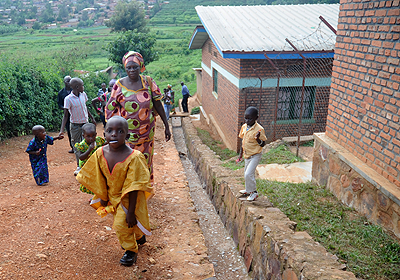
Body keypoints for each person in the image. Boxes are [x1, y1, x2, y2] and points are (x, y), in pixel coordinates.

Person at [76, 116, 153, 266]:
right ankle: (138, 237)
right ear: (103, 134)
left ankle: (130, 251)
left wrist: (131, 211)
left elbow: (134, 186)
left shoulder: (134, 157)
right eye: (109, 131)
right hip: (112, 196)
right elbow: (98, 176)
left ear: (127, 135)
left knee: (122, 225)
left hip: (128, 198)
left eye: (120, 131)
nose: (114, 134)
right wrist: (102, 196)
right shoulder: (99, 153)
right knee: (127, 223)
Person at [105, 51, 171, 185]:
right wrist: (111, 132)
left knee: (145, 161)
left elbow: (158, 104)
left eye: (135, 67)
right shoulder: (119, 85)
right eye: (128, 67)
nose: (132, 70)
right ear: (125, 68)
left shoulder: (148, 82)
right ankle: (128, 190)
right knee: (126, 161)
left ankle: (143, 190)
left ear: (140, 66)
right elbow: (110, 109)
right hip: (126, 136)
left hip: (147, 134)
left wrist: (167, 126)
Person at [58, 77, 96, 176]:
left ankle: (89, 165)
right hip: (75, 126)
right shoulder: (68, 99)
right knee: (77, 146)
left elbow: (85, 107)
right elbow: (66, 115)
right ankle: (79, 166)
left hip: (85, 124)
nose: (83, 87)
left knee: (88, 144)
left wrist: (92, 118)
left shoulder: (83, 95)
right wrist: (62, 130)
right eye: (82, 85)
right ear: (77, 87)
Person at [237, 106, 267, 201]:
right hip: (247, 155)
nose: (247, 120)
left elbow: (263, 144)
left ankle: (254, 192)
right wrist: (240, 156)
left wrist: (258, 139)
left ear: (256, 118)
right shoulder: (244, 127)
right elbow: (243, 142)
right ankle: (248, 190)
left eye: (250, 118)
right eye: (246, 118)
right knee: (247, 172)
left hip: (255, 155)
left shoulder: (259, 129)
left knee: (248, 174)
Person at [75, 123, 106, 194]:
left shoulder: (98, 141)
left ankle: (98, 196)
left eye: (93, 136)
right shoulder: (82, 145)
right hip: (87, 166)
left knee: (99, 180)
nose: (91, 138)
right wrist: (89, 150)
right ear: (83, 136)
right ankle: (95, 196)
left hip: (98, 165)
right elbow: (81, 157)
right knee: (91, 182)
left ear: (96, 134)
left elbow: (104, 145)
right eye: (88, 136)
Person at [57, 75, 74, 154]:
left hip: (74, 113)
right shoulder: (61, 93)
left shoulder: (74, 91)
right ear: (64, 82)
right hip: (67, 115)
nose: (69, 82)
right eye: (67, 81)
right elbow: (59, 104)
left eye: (70, 80)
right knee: (69, 131)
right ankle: (73, 147)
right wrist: (64, 108)